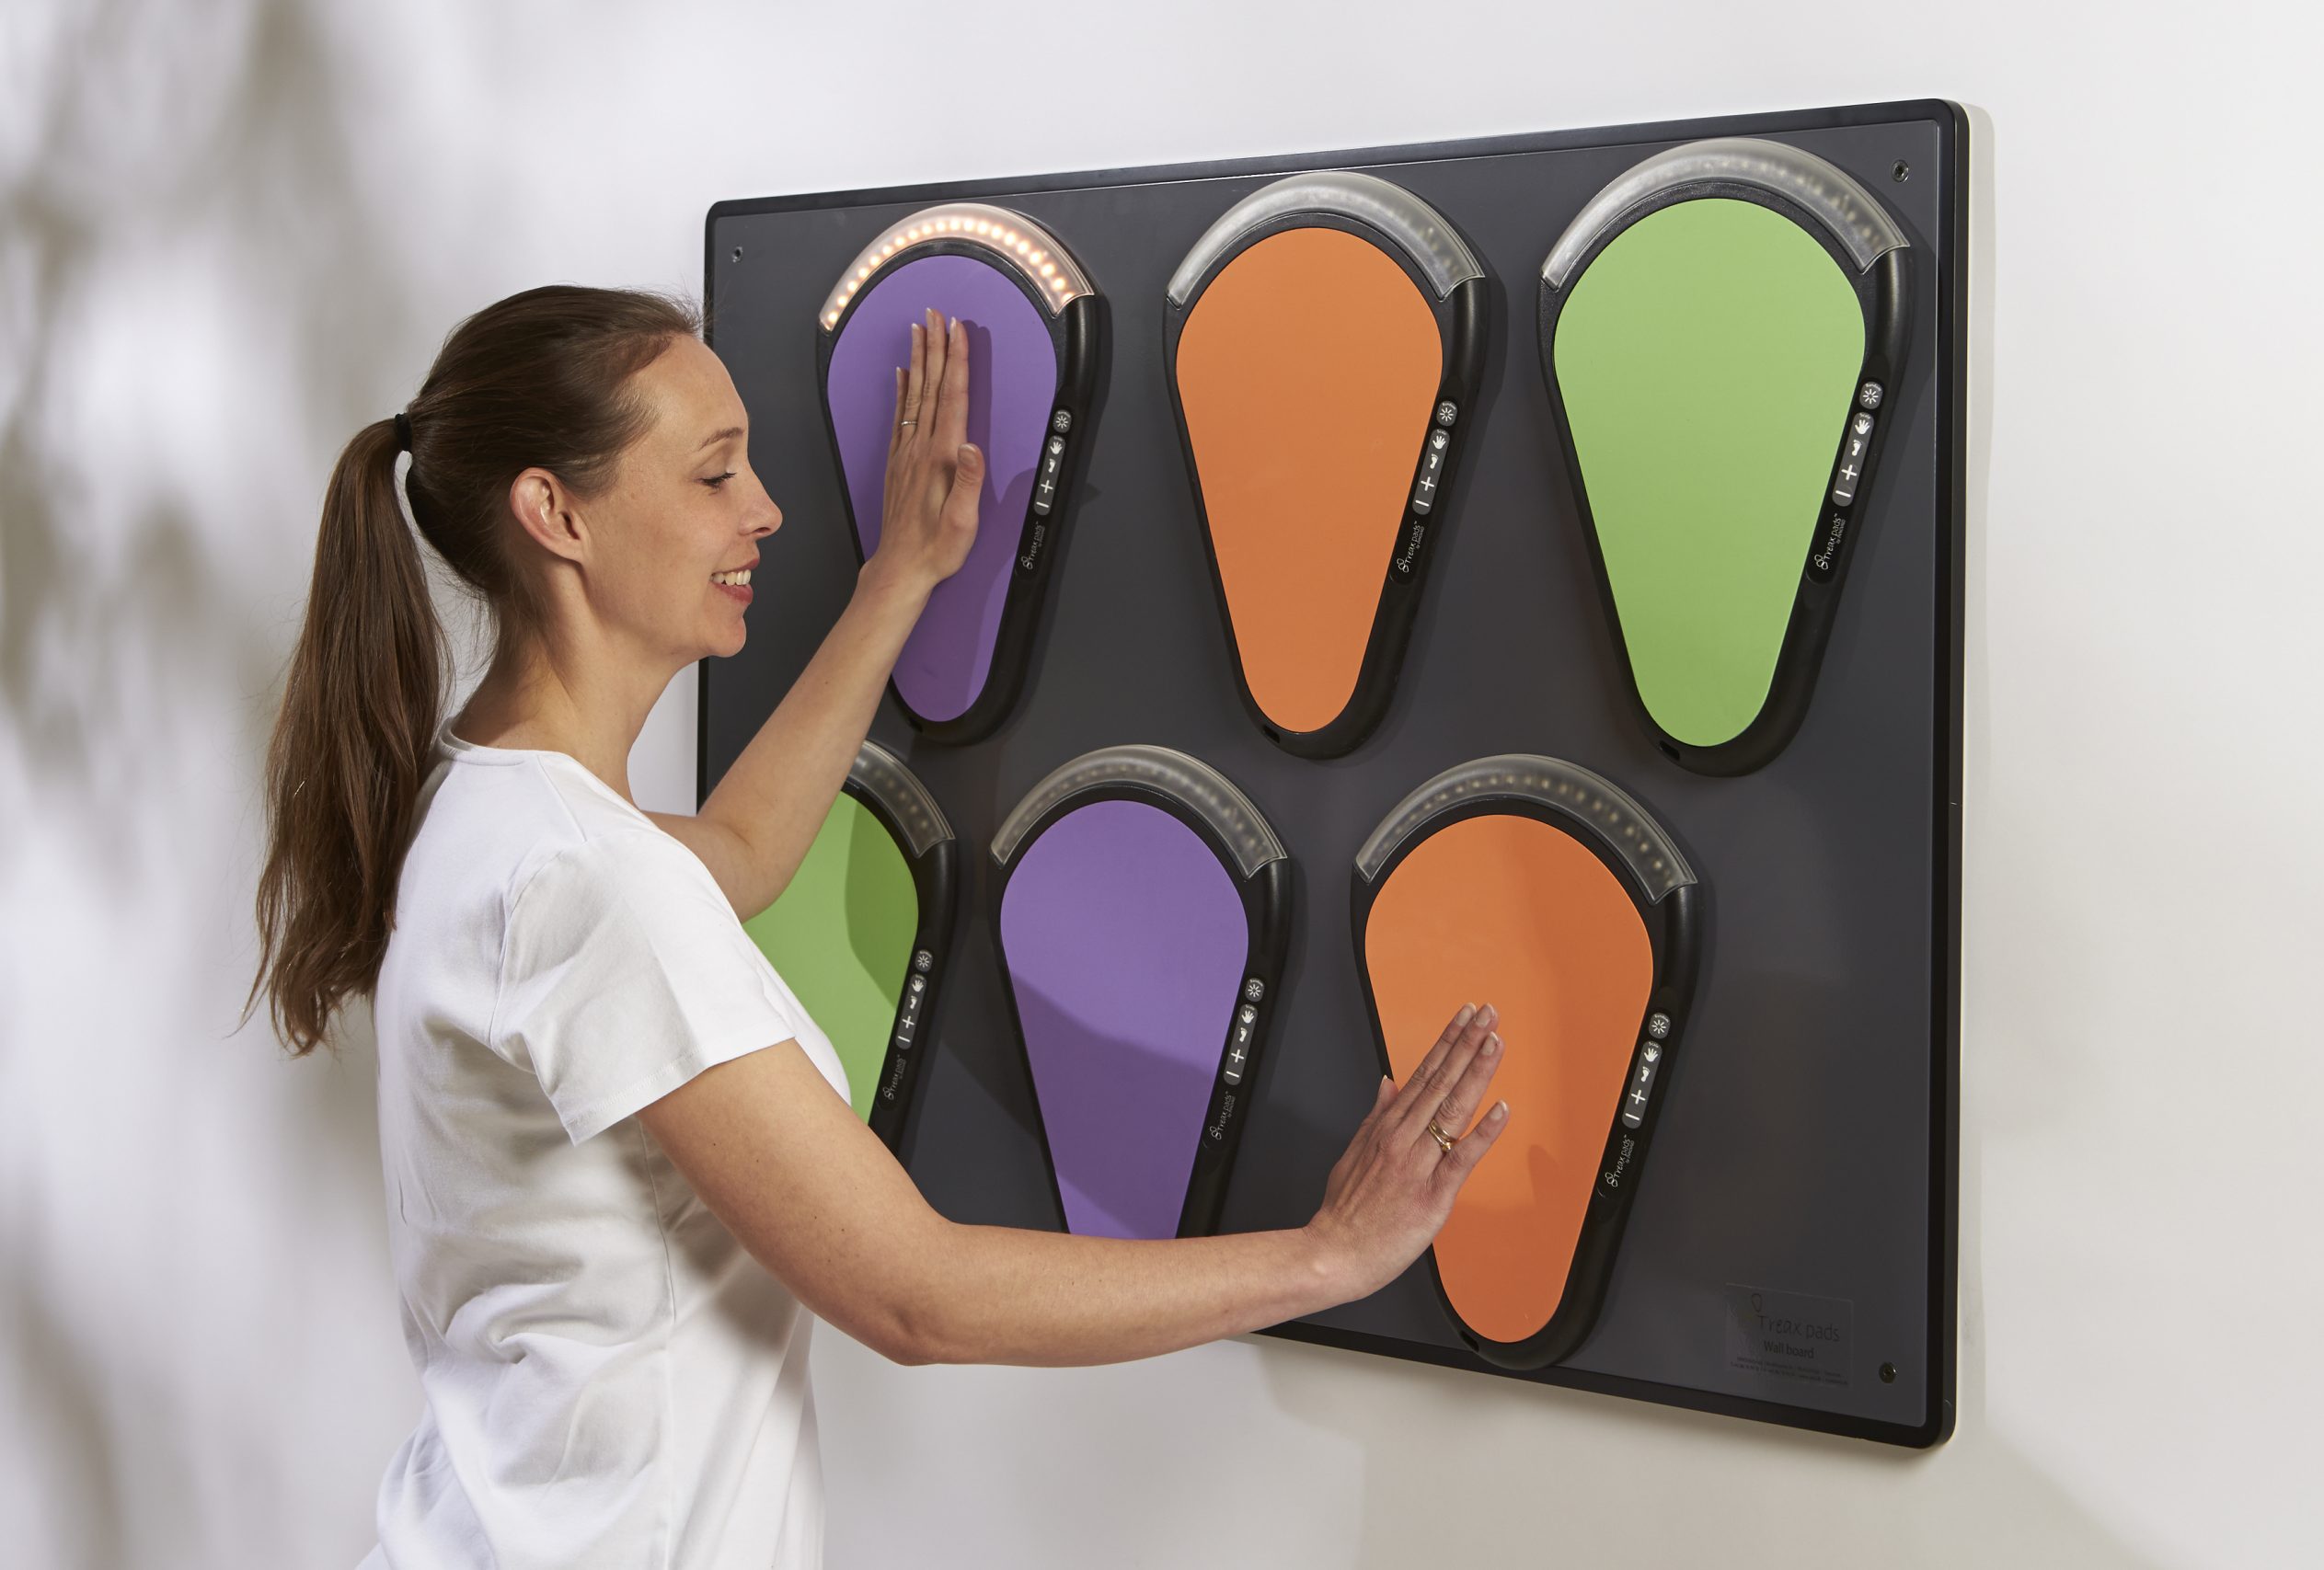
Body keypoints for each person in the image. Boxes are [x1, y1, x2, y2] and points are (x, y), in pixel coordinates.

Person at [245, 284, 1511, 1569]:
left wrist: (898, 579)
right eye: (714, 474)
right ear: (556, 513)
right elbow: (917, 1297)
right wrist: (1326, 1259)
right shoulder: (585, 878)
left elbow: (739, 856)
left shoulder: (487, 807)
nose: (763, 510)